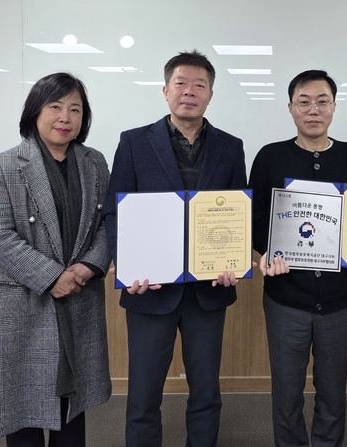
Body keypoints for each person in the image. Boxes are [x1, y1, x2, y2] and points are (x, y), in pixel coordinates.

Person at [103, 50, 247, 447]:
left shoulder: (231, 147)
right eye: (181, 83)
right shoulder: (134, 142)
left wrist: (234, 261)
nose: (189, 91)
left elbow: (238, 212)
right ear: (165, 90)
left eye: (200, 85)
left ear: (210, 95)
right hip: (149, 289)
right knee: (143, 395)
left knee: (206, 392)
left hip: (208, 290)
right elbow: (116, 209)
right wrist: (126, 263)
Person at [0, 72, 112, 446]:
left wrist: (88, 266)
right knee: (23, 400)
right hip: (23, 299)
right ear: (35, 111)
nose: (65, 117)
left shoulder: (94, 162)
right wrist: (53, 276)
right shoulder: (4, 164)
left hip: (80, 294)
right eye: (55, 106)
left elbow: (109, 223)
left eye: (75, 109)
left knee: (73, 402)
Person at [249, 70, 347, 447]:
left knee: (333, 393)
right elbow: (256, 216)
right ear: (290, 108)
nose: (313, 110)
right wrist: (268, 250)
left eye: (322, 101)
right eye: (303, 102)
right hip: (285, 298)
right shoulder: (270, 156)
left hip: (339, 300)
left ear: (334, 107)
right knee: (286, 393)